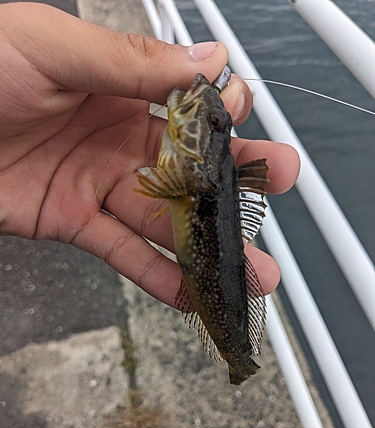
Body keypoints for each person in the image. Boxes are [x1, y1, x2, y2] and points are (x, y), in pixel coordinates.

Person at [0, 3, 299, 308]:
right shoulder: (194, 174)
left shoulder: (191, 177)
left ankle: (235, 352)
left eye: (214, 123)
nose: (207, 116)